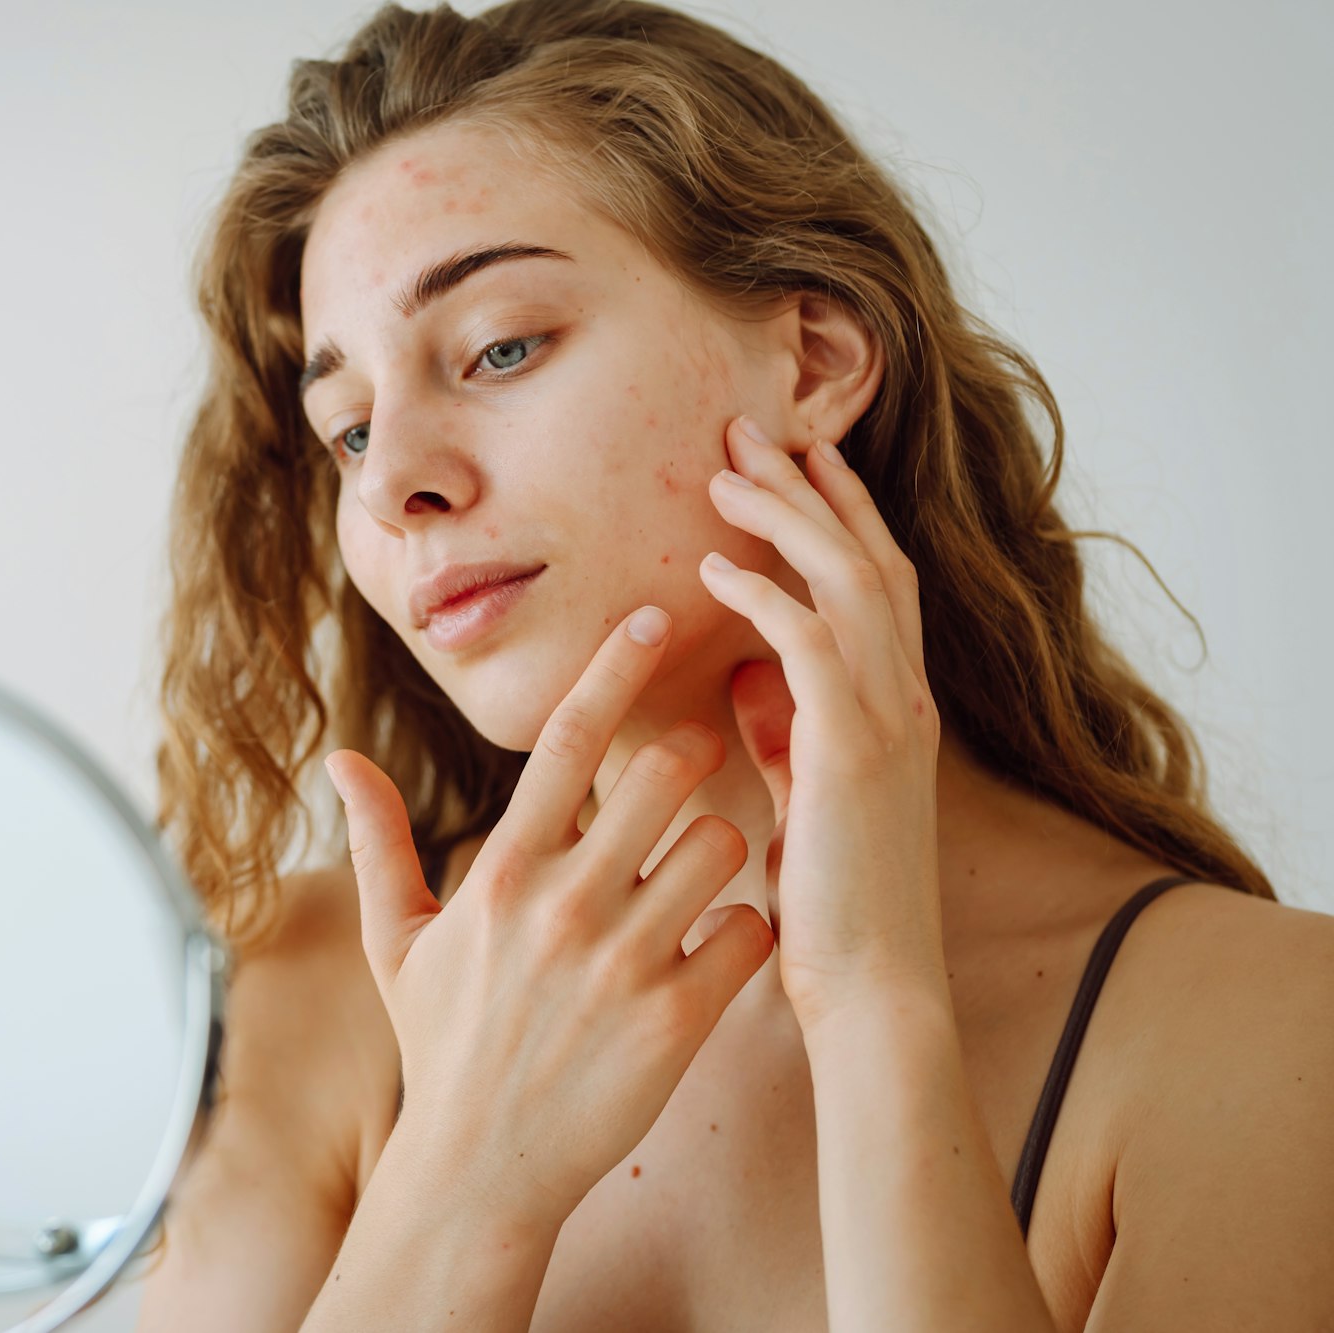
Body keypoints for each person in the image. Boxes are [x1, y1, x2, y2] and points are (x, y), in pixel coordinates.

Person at [134, 1, 1333, 1328]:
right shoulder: (301, 996)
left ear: (813, 360)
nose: (396, 482)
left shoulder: (1271, 1037)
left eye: (500, 347)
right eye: (349, 427)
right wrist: (465, 1171)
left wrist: (878, 1001)